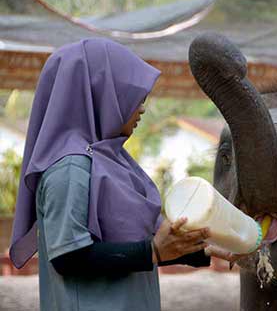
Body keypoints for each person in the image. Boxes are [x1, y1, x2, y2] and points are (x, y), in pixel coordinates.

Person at [9, 38, 238, 311]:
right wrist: (151, 251)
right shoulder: (70, 168)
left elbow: (130, 249)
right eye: (130, 96)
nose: (141, 107)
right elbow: (68, 256)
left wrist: (198, 249)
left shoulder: (110, 161)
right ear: (98, 94)